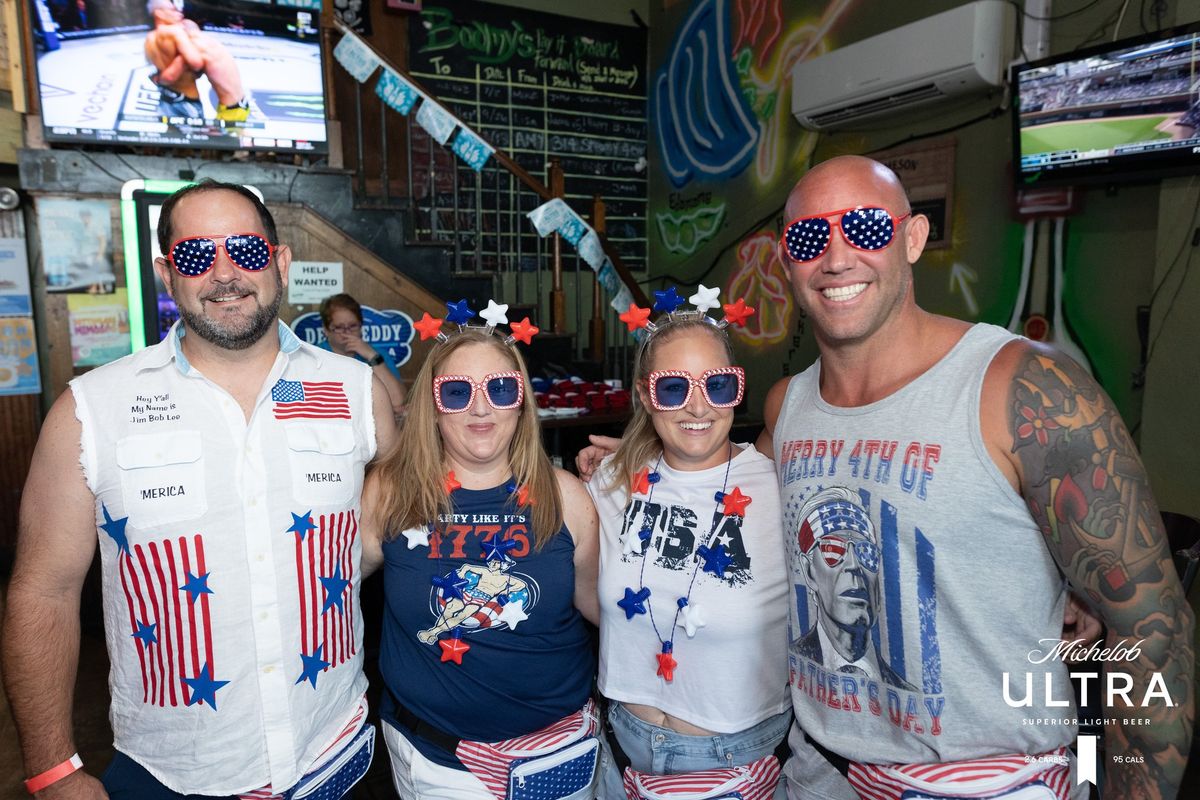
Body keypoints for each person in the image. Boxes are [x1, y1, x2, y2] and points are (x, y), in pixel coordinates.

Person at [760, 155, 1192, 798]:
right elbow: (718, 500)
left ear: (912, 238)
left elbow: (1153, 630)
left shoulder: (1024, 388)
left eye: (866, 229)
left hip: (988, 780)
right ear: (788, 261)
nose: (837, 257)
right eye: (809, 237)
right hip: (818, 771)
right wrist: (626, 464)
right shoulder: (786, 408)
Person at [2, 180, 397, 799]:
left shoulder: (356, 391)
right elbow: (42, 593)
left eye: (244, 248)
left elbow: (417, 503)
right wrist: (53, 771)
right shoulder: (92, 410)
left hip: (335, 753)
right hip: (174, 775)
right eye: (194, 255)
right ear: (167, 274)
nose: (224, 272)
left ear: (280, 261)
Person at [361, 310, 602, 800]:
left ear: (520, 401)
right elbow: (331, 589)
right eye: (457, 391)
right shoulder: (391, 491)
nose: (480, 409)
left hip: (555, 758)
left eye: (498, 389)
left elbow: (607, 610)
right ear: (434, 404)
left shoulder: (567, 496)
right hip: (436, 764)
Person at [586, 300, 792, 800]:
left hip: (737, 756)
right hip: (622, 743)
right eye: (674, 387)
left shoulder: (779, 483)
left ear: (737, 387)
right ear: (646, 395)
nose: (698, 407)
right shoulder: (612, 482)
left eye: (716, 384)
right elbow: (585, 590)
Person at [792, 487, 915, 691]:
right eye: (833, 549)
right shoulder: (793, 665)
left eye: (866, 552)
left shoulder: (907, 693)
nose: (853, 564)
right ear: (809, 571)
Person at [145, 0, 249, 123]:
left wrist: (159, 78)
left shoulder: (152, 38)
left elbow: (173, 74)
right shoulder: (204, 42)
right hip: (232, 104)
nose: (179, 14)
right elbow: (196, 68)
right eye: (173, 10)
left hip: (230, 108)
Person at [320, 293, 407, 418]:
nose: (346, 333)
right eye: (339, 327)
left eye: (352, 326)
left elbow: (398, 402)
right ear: (326, 330)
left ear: (361, 326)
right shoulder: (315, 354)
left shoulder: (377, 354)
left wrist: (371, 356)